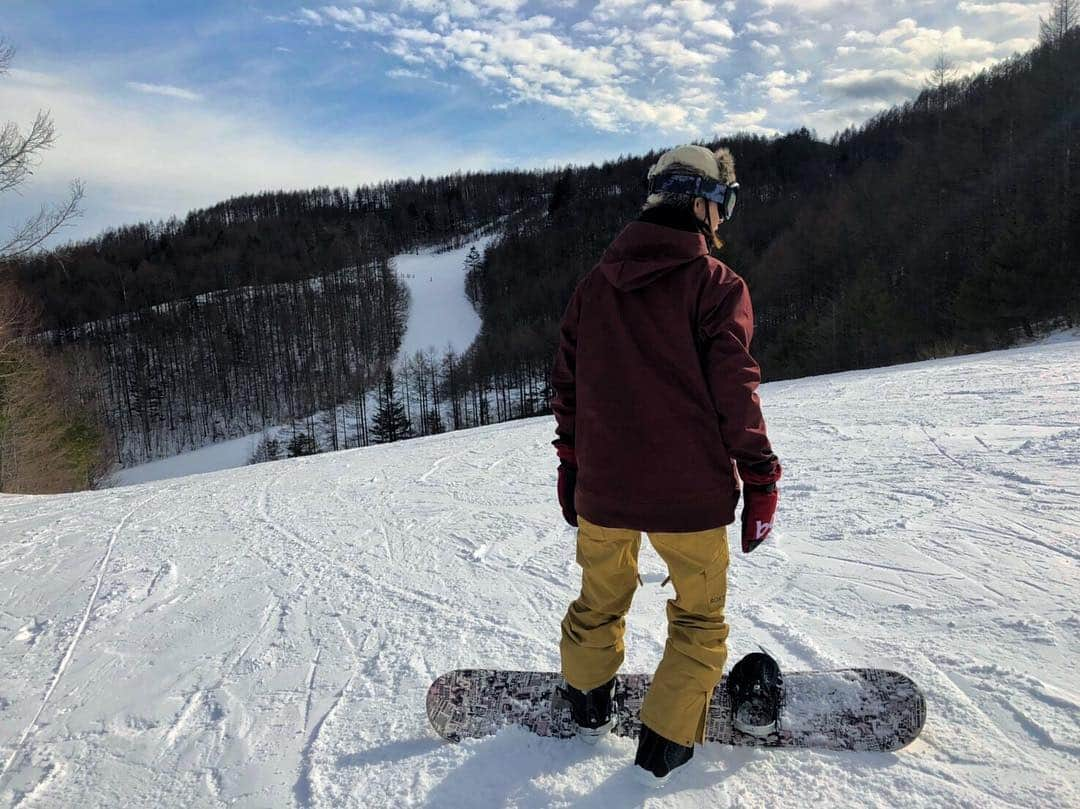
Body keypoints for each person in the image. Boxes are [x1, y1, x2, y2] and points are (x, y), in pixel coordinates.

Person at [549, 144, 782, 783]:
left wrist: (572, 465)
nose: (724, 220)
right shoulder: (715, 286)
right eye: (724, 204)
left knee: (599, 601)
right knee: (700, 619)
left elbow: (567, 386)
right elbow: (736, 392)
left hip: (605, 494)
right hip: (688, 499)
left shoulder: (594, 287)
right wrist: (760, 477)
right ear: (702, 203)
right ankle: (664, 749)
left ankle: (587, 703)